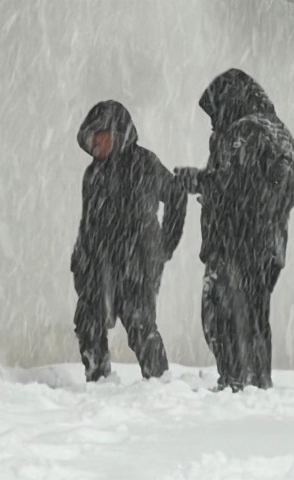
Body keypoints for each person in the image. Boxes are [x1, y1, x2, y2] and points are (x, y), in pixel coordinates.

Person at [176, 69, 294, 391]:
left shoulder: (245, 131)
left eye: (216, 113)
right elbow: (284, 190)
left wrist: (196, 180)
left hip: (237, 241)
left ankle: (237, 381)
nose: (214, 123)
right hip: (268, 244)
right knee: (255, 316)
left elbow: (230, 184)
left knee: (222, 312)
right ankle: (256, 380)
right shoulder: (280, 132)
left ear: (230, 102)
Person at [71, 100, 187, 382]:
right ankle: (98, 380)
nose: (95, 142)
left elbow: (177, 195)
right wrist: (81, 257)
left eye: (101, 135)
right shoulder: (93, 174)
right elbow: (88, 222)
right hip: (98, 261)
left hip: (137, 260)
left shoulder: (144, 164)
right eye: (92, 137)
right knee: (88, 321)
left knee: (139, 323)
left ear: (118, 132)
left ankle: (159, 383)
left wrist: (164, 246)